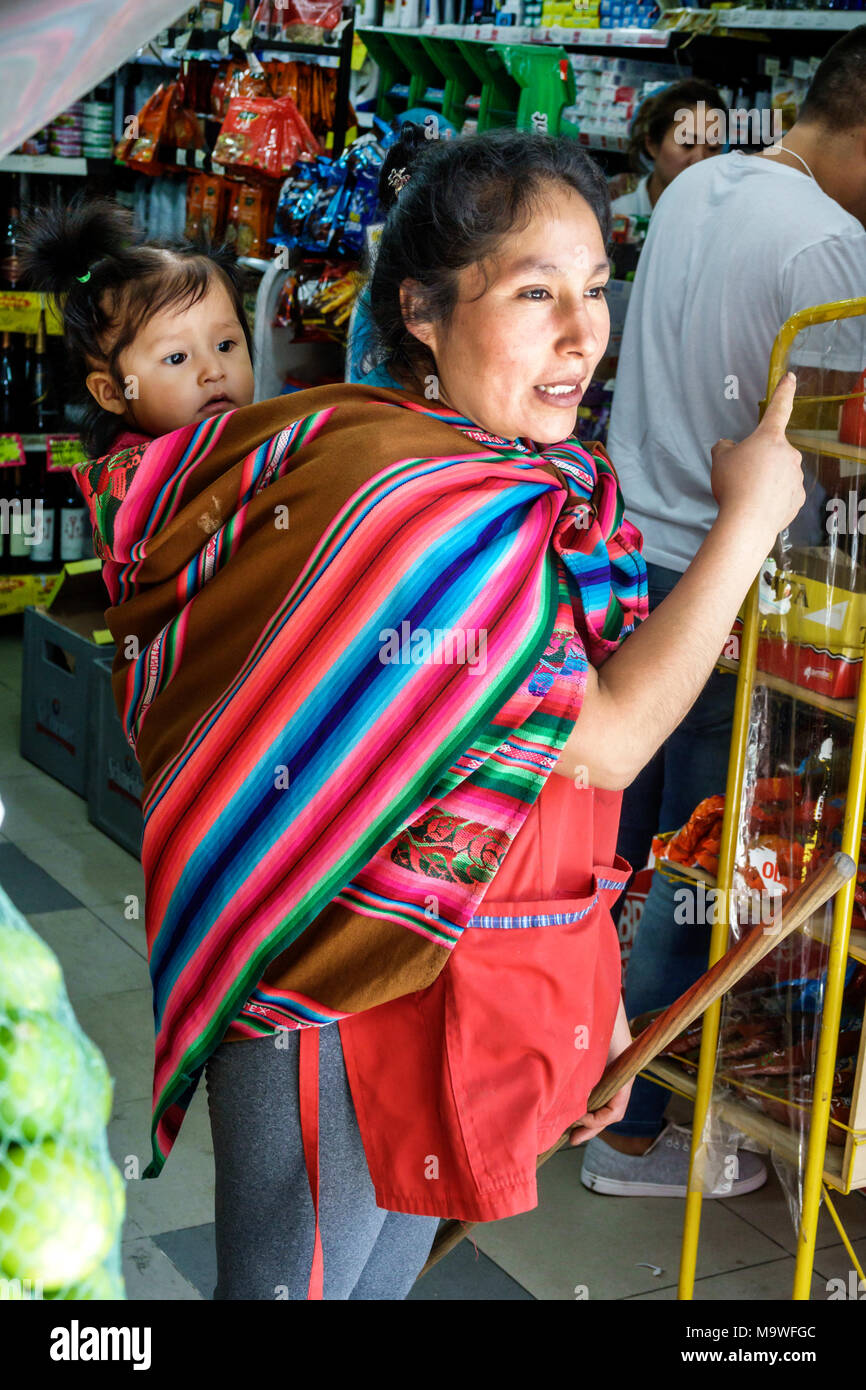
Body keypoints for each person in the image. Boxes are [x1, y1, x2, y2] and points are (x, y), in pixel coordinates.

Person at [22, 131, 803, 1300]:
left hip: (446, 984)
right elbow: (607, 737)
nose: (582, 332)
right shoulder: (425, 508)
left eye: (593, 289)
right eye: (533, 292)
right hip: (327, 995)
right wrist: (746, 525)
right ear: (422, 311)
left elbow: (533, 785)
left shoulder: (472, 470)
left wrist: (573, 1013)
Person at [583, 24, 866, 1199]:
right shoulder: (830, 246)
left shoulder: (698, 183)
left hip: (625, 557)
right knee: (705, 854)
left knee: (624, 850)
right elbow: (844, 453)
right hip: (728, 589)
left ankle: (582, 1081)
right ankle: (641, 1126)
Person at [609, 78, 725, 219]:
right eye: (687, 144)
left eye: (713, 148)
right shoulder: (616, 217)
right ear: (651, 145)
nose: (700, 159)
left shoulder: (723, 220)